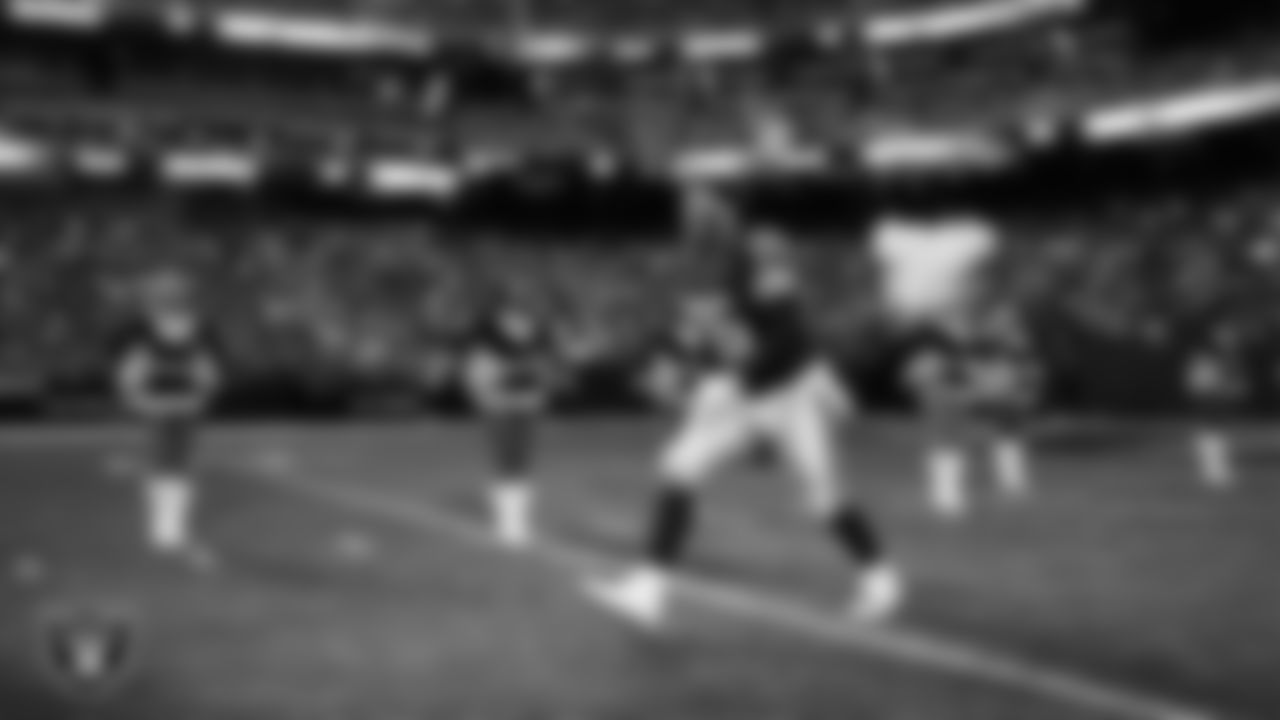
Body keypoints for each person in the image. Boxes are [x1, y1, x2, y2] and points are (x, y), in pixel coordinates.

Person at [585, 228, 900, 630]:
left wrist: (742, 384)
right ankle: (648, 589)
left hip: (788, 396)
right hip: (745, 397)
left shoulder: (761, 280)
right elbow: (699, 346)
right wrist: (681, 379)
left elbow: (791, 344)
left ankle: (880, 578)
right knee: (678, 469)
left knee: (825, 497)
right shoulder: (704, 287)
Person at [115, 269, 221, 566]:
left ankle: (170, 532)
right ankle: (164, 533)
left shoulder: (191, 338)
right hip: (162, 410)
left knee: (178, 470)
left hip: (182, 410)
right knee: (165, 468)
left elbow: (207, 374)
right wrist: (141, 402)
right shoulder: (149, 342)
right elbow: (129, 378)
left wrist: (201, 396)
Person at [905, 307, 1039, 518]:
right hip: (951, 394)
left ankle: (956, 496)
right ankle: (948, 498)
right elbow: (924, 379)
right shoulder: (937, 356)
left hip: (965, 392)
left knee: (991, 434)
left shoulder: (991, 347)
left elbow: (984, 368)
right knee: (947, 441)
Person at [462, 298, 560, 549]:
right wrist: (487, 398)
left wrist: (540, 394)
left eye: (524, 321)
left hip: (526, 407)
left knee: (521, 463)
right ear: (504, 321)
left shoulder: (538, 343)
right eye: (514, 320)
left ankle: (520, 521)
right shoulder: (488, 344)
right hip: (500, 408)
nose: (520, 326)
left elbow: (546, 373)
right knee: (505, 462)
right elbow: (476, 375)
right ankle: (507, 523)